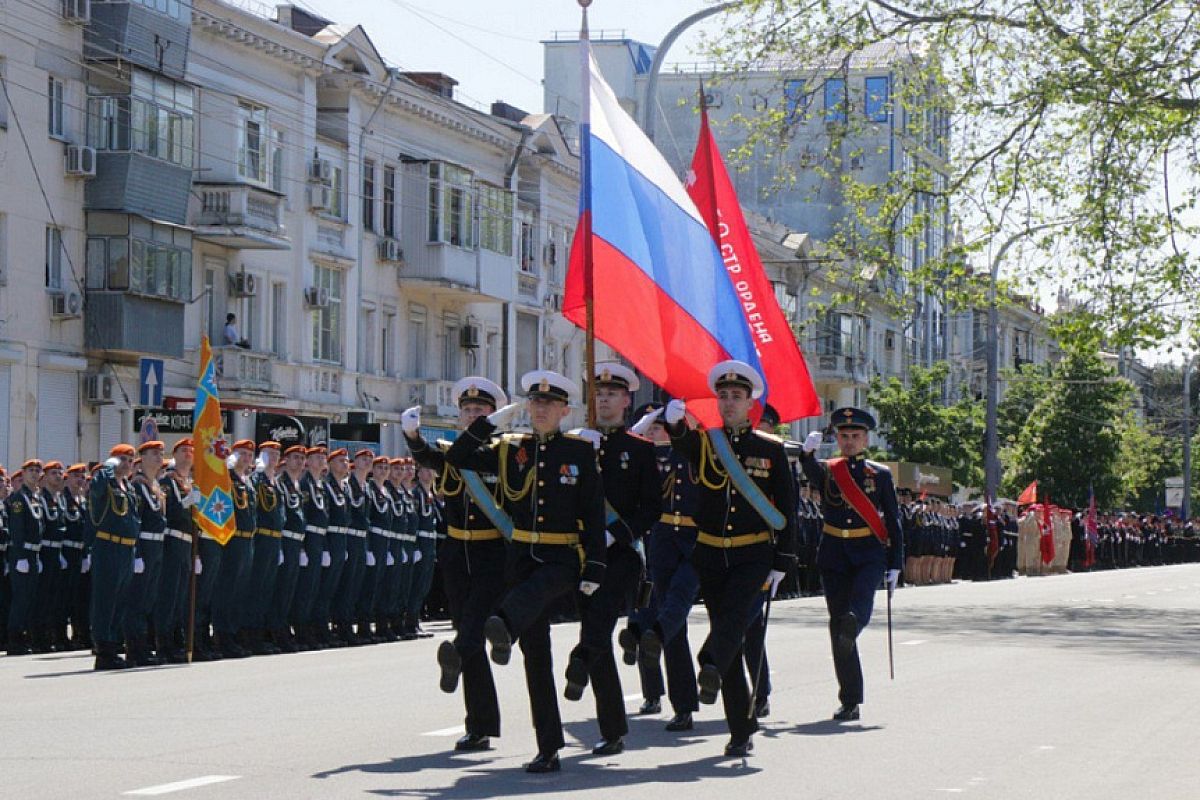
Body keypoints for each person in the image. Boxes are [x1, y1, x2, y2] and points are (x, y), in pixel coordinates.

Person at [445, 369, 606, 774]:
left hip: (561, 558)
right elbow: (458, 457)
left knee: (530, 597)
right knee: (537, 660)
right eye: (535, 402)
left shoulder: (578, 453)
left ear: (565, 411)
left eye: (549, 404)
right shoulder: (509, 449)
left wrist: (597, 565)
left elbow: (591, 511)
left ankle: (501, 624)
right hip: (521, 556)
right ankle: (548, 747)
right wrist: (488, 424)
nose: (540, 409)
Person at [663, 361, 797, 756]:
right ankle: (741, 729)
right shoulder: (707, 440)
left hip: (754, 552)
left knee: (735, 622)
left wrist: (783, 559)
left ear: (750, 402)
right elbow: (683, 444)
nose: (728, 403)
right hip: (711, 553)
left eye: (736, 397)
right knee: (732, 639)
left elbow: (787, 505)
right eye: (722, 396)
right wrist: (674, 424)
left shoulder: (769, 448)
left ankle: (708, 661)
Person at [403, 376, 509, 752]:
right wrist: (413, 439)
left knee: (473, 627)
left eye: (479, 411)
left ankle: (459, 654)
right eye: (467, 411)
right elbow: (430, 459)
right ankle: (479, 726)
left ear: (493, 415)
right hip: (456, 554)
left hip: (492, 555)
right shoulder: (450, 452)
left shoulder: (505, 452)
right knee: (470, 635)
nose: (471, 416)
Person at [562, 362, 659, 757]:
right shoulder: (574, 443)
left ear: (626, 400)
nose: (604, 400)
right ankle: (613, 729)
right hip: (580, 552)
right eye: (598, 394)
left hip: (620, 554)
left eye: (612, 394)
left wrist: (614, 533)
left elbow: (651, 507)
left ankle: (579, 659)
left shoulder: (638, 450)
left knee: (599, 624)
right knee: (596, 632)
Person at [799, 407, 903, 721]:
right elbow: (811, 474)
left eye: (855, 436)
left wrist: (896, 562)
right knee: (837, 626)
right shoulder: (829, 470)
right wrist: (807, 453)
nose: (848, 441)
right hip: (834, 551)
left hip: (868, 550)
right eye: (843, 436)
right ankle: (850, 699)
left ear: (865, 439)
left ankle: (853, 625)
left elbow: (894, 521)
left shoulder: (880, 474)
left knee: (858, 608)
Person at [631, 402, 701, 732]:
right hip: (662, 539)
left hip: (698, 541)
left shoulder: (701, 450)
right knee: (675, 628)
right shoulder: (654, 457)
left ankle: (651, 636)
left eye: (668, 425)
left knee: (675, 607)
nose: (662, 431)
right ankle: (684, 705)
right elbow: (628, 447)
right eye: (660, 426)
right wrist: (646, 423)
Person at [89, 445, 142, 670]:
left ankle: (113, 644)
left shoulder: (128, 487)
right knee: (105, 600)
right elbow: (96, 488)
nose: (127, 463)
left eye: (130, 460)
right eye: (122, 459)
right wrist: (107, 468)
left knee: (120, 600)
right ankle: (103, 651)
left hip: (126, 549)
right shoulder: (105, 481)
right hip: (108, 545)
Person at [123, 442, 168, 666]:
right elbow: (135, 523)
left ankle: (143, 645)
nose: (159, 457)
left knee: (149, 599)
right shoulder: (137, 487)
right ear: (141, 459)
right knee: (137, 599)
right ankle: (134, 648)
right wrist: (137, 553)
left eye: (161, 453)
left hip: (157, 547)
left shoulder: (156, 486)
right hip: (144, 546)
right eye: (154, 454)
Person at [212, 440, 257, 659]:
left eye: (250, 454)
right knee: (227, 590)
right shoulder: (226, 479)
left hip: (247, 541)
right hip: (231, 540)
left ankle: (235, 633)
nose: (246, 458)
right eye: (242, 454)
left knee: (240, 591)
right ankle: (223, 635)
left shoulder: (248, 482)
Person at [158, 440, 200, 663]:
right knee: (170, 595)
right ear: (174, 455)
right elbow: (170, 511)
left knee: (182, 596)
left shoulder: (191, 482)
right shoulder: (168, 481)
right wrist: (188, 502)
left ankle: (177, 640)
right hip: (173, 540)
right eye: (183, 450)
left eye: (191, 451)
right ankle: (164, 643)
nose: (188, 454)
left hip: (187, 543)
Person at [244, 441, 284, 655]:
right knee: (256, 588)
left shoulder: (275, 482)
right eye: (270, 454)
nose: (275, 458)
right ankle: (250, 633)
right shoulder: (256, 480)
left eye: (277, 454)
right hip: (260, 539)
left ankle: (260, 632)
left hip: (274, 540)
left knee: (267, 589)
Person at [7, 460, 47, 657]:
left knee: (31, 598)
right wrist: (21, 556)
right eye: (30, 470)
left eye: (37, 470)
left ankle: (24, 637)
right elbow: (16, 529)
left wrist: (35, 555)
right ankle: (14, 640)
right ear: (23, 473)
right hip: (21, 554)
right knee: (21, 599)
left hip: (33, 553)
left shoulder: (34, 497)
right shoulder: (18, 498)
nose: (34, 473)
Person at [269, 445, 307, 652]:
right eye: (295, 458)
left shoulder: (297, 484)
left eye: (302, 458)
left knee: (290, 589)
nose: (299, 462)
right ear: (285, 461)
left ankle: (283, 627)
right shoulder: (281, 483)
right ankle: (276, 630)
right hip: (284, 541)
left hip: (296, 542)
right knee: (281, 589)